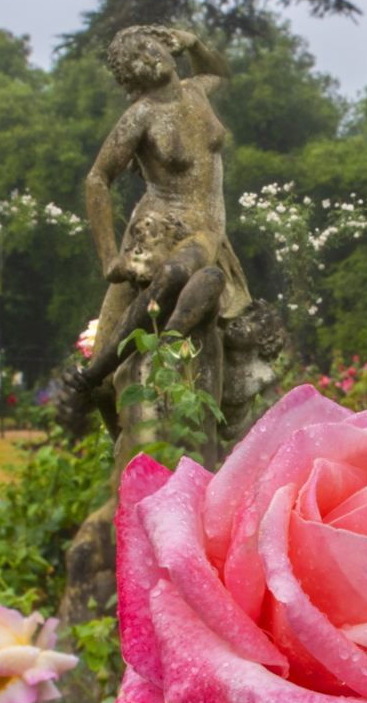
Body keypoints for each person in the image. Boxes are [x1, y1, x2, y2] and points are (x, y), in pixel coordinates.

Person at [63, 26, 252, 422]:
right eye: (139, 57)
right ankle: (105, 395)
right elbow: (97, 179)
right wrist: (109, 257)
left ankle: (163, 349)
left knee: (182, 272)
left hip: (206, 230)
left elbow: (221, 73)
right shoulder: (142, 116)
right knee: (101, 386)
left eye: (153, 47)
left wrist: (196, 43)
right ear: (132, 74)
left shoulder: (196, 91)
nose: (152, 57)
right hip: (159, 229)